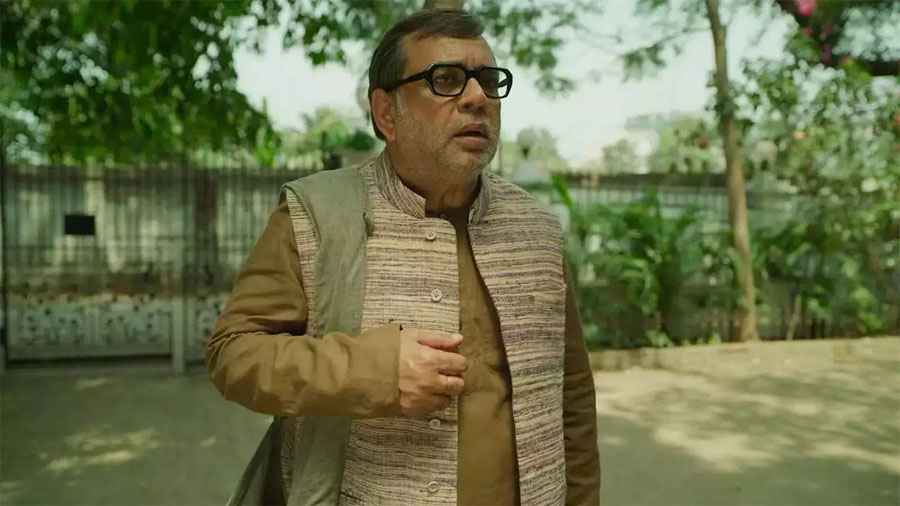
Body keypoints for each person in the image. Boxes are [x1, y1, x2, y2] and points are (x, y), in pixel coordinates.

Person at [206, 8, 600, 506]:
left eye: (488, 81)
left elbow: (571, 393)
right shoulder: (318, 215)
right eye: (446, 80)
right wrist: (372, 372)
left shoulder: (536, 228)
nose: (477, 98)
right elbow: (234, 354)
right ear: (386, 113)